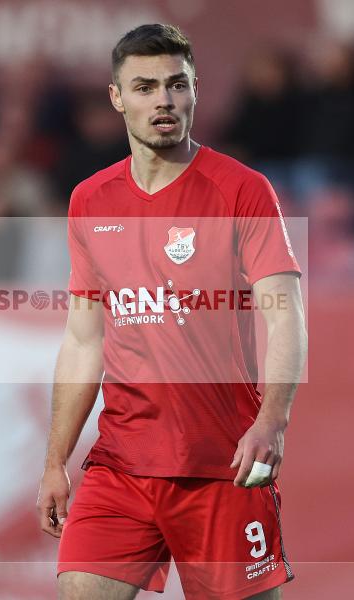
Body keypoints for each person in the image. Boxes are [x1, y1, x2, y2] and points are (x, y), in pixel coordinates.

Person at [36, 24, 307, 599]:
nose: (163, 100)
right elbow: (85, 340)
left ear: (195, 90)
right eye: (144, 86)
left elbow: (284, 314)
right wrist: (56, 460)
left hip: (222, 464)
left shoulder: (242, 190)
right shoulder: (89, 200)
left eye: (175, 84)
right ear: (117, 97)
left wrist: (272, 422)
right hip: (122, 466)